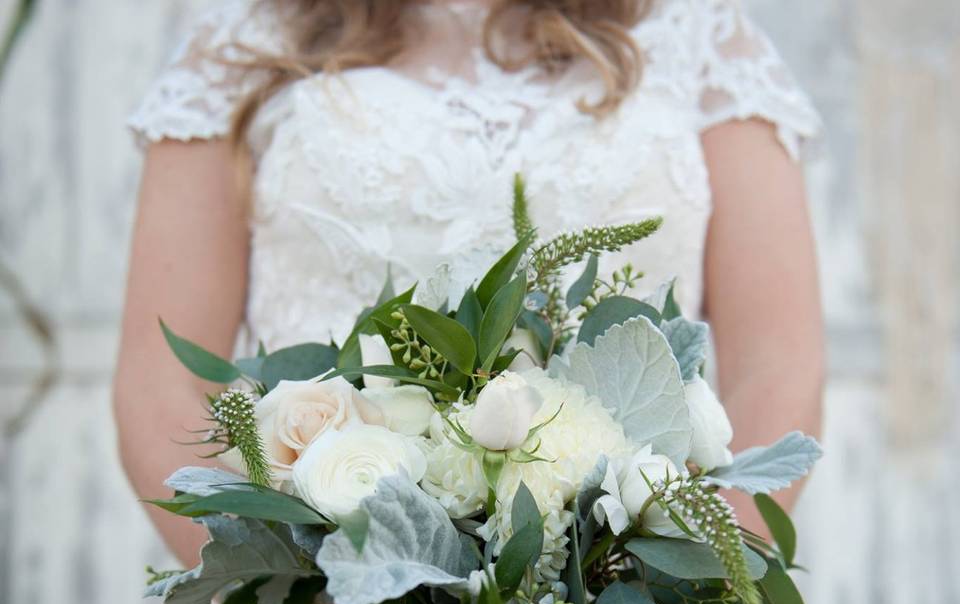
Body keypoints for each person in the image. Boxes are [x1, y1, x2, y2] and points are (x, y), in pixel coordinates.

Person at [114, 0, 824, 567]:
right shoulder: (243, 41)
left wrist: (685, 582)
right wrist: (291, 594)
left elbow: (778, 363)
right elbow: (160, 384)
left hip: (619, 577)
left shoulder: (701, 37)